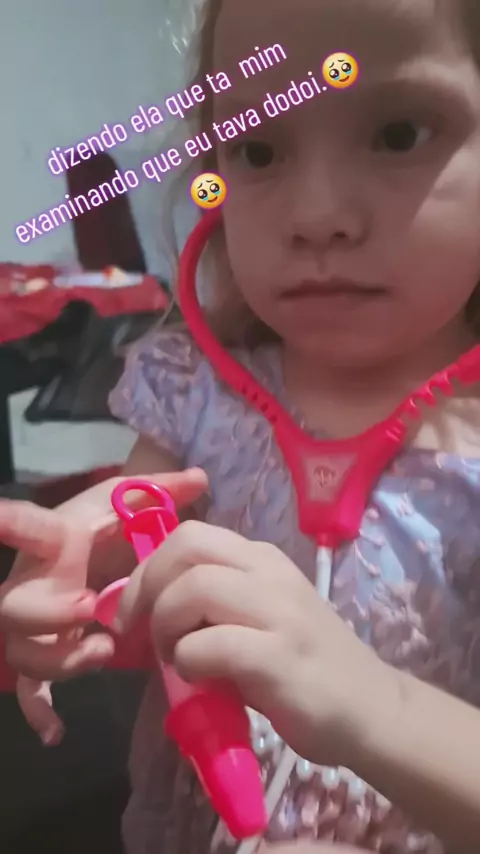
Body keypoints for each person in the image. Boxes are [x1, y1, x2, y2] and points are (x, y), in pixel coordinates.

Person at [3, 0, 480, 849]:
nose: (316, 214)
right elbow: (136, 555)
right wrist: (65, 591)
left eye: (400, 133)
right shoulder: (196, 390)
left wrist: (376, 707)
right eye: (258, 148)